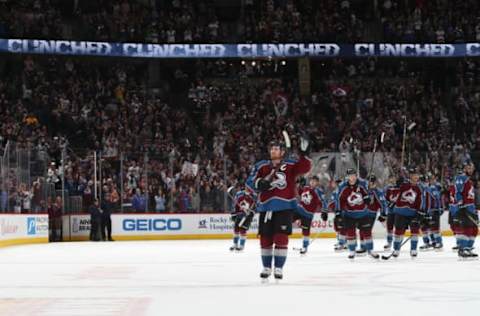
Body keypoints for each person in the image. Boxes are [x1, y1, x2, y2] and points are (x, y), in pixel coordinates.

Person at [246, 136, 311, 281]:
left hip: (285, 206)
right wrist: (259, 183)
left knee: (281, 238)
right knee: (265, 239)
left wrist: (304, 155)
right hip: (266, 207)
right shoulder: (262, 165)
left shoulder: (290, 165)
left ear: (282, 152)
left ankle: (279, 268)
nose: (273, 151)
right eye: (272, 148)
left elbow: (305, 168)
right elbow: (249, 181)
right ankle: (266, 267)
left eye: (276, 148)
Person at [336, 168, 378, 259]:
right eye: (351, 175)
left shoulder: (362, 184)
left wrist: (367, 197)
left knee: (367, 233)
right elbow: (339, 200)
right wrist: (338, 212)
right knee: (350, 233)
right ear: (347, 177)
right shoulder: (343, 187)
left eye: (354, 175)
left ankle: (370, 250)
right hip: (349, 214)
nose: (353, 177)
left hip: (363, 213)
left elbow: (368, 193)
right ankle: (352, 251)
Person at [392, 166, 425, 258]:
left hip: (413, 213)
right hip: (400, 212)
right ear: (410, 176)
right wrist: (398, 183)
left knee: (414, 231)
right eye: (414, 175)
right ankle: (396, 249)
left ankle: (413, 249)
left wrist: (420, 212)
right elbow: (396, 192)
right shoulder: (403, 185)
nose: (416, 177)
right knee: (398, 232)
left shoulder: (419, 188)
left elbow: (420, 201)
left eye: (417, 175)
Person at [294, 175, 327, 254]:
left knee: (305, 231)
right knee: (287, 219)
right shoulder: (306, 188)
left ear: (317, 183)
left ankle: (304, 247)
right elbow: (299, 192)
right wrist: (299, 184)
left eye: (315, 181)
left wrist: (324, 211)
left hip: (308, 214)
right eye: (312, 180)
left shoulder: (318, 191)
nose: (312, 182)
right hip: (299, 209)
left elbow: (323, 202)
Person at [454, 160, 478, 258]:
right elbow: (458, 192)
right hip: (465, 207)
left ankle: (468, 249)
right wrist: (460, 204)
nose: (471, 170)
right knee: (467, 229)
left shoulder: (469, 179)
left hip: (471, 207)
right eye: (468, 168)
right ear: (464, 168)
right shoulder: (461, 178)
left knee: (474, 229)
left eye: (472, 168)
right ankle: (462, 249)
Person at [229, 184, 256, 252]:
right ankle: (235, 244)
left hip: (247, 216)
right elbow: (236, 206)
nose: (247, 188)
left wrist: (251, 212)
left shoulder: (253, 197)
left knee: (243, 230)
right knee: (236, 230)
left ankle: (241, 246)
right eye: (246, 187)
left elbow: (255, 207)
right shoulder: (240, 196)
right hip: (239, 215)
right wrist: (234, 214)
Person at [379, 176, 400, 250]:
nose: (392, 179)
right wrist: (388, 205)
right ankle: (389, 242)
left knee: (398, 228)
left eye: (394, 178)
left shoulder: (400, 187)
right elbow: (383, 198)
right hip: (390, 211)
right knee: (389, 227)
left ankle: (398, 242)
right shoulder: (386, 188)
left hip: (399, 211)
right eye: (391, 178)